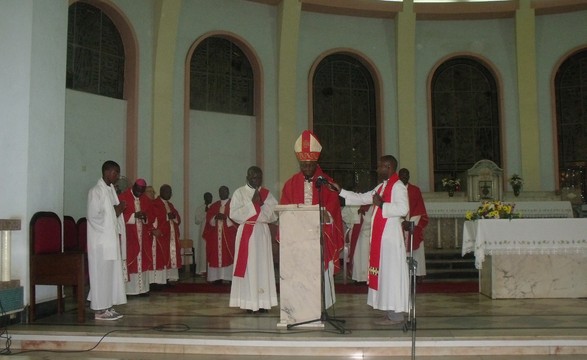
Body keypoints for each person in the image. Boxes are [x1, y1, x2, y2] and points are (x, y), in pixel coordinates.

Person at [332, 155, 409, 325]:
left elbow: (404, 209)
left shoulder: (398, 186)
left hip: (390, 238)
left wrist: (382, 205)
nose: (377, 169)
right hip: (382, 239)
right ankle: (389, 311)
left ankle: (396, 314)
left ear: (388, 167)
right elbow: (364, 197)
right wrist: (341, 191)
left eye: (380, 166)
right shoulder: (382, 186)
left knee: (392, 274)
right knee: (385, 275)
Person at [279, 130, 344, 309]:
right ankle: (299, 305)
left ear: (316, 162)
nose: (307, 168)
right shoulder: (290, 184)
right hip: (298, 238)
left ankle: (321, 305)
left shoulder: (327, 182)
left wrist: (326, 215)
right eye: (303, 165)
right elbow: (284, 210)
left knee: (319, 271)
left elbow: (333, 211)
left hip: (320, 236)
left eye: (310, 165)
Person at [229, 166, 278, 313]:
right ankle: (249, 302)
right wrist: (252, 204)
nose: (256, 180)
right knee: (249, 267)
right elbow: (234, 214)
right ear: (247, 177)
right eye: (254, 177)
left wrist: (262, 204)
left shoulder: (267, 194)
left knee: (263, 266)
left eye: (259, 177)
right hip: (247, 234)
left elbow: (275, 214)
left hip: (262, 233)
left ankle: (263, 301)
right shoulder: (239, 193)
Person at [86, 160, 127, 320]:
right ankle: (99, 310)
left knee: (110, 275)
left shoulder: (110, 191)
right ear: (107, 172)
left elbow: (113, 214)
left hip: (110, 240)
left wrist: (117, 211)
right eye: (115, 172)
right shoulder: (95, 191)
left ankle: (108, 306)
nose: (117, 176)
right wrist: (116, 210)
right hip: (100, 242)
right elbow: (93, 217)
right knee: (100, 275)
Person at [118, 178, 153, 296]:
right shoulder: (123, 197)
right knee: (130, 260)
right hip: (129, 235)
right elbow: (118, 216)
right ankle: (130, 290)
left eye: (142, 191)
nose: (139, 193)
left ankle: (142, 289)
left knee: (142, 260)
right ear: (133, 186)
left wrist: (145, 217)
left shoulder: (145, 199)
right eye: (137, 190)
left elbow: (151, 216)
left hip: (142, 236)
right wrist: (134, 216)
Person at [399, 168, 429, 279]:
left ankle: (417, 274)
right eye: (402, 175)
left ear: (409, 176)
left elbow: (419, 207)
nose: (404, 177)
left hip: (413, 224)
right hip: (400, 225)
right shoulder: (394, 189)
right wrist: (402, 222)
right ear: (398, 176)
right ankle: (403, 274)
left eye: (406, 175)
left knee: (416, 251)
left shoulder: (415, 190)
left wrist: (411, 222)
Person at [203, 185, 236, 283]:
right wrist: (215, 217)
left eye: (224, 191)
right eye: (220, 192)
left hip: (229, 237)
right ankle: (216, 278)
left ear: (228, 192)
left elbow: (237, 220)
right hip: (215, 237)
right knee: (215, 255)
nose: (222, 193)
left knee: (229, 255)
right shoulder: (214, 206)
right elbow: (209, 220)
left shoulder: (233, 205)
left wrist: (227, 218)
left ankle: (228, 277)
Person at [152, 184, 182, 283]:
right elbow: (153, 218)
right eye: (167, 192)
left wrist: (173, 216)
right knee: (163, 257)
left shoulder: (170, 205)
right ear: (161, 192)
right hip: (161, 237)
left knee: (172, 256)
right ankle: (161, 280)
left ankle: (171, 277)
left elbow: (178, 219)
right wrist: (166, 216)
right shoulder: (155, 204)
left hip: (171, 236)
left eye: (170, 192)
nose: (169, 194)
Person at [341, 204, 373, 283]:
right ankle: (357, 277)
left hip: (370, 233)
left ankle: (369, 277)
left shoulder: (373, 204)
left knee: (368, 255)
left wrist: (364, 217)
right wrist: (355, 219)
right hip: (356, 234)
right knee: (357, 255)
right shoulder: (352, 203)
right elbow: (343, 215)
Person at [194, 192, 213, 276]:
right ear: (204, 198)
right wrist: (205, 212)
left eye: (210, 197)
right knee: (203, 251)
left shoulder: (214, 207)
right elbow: (197, 221)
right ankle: (203, 270)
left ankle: (212, 270)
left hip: (212, 232)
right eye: (207, 197)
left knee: (211, 250)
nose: (209, 199)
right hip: (203, 232)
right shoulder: (200, 208)